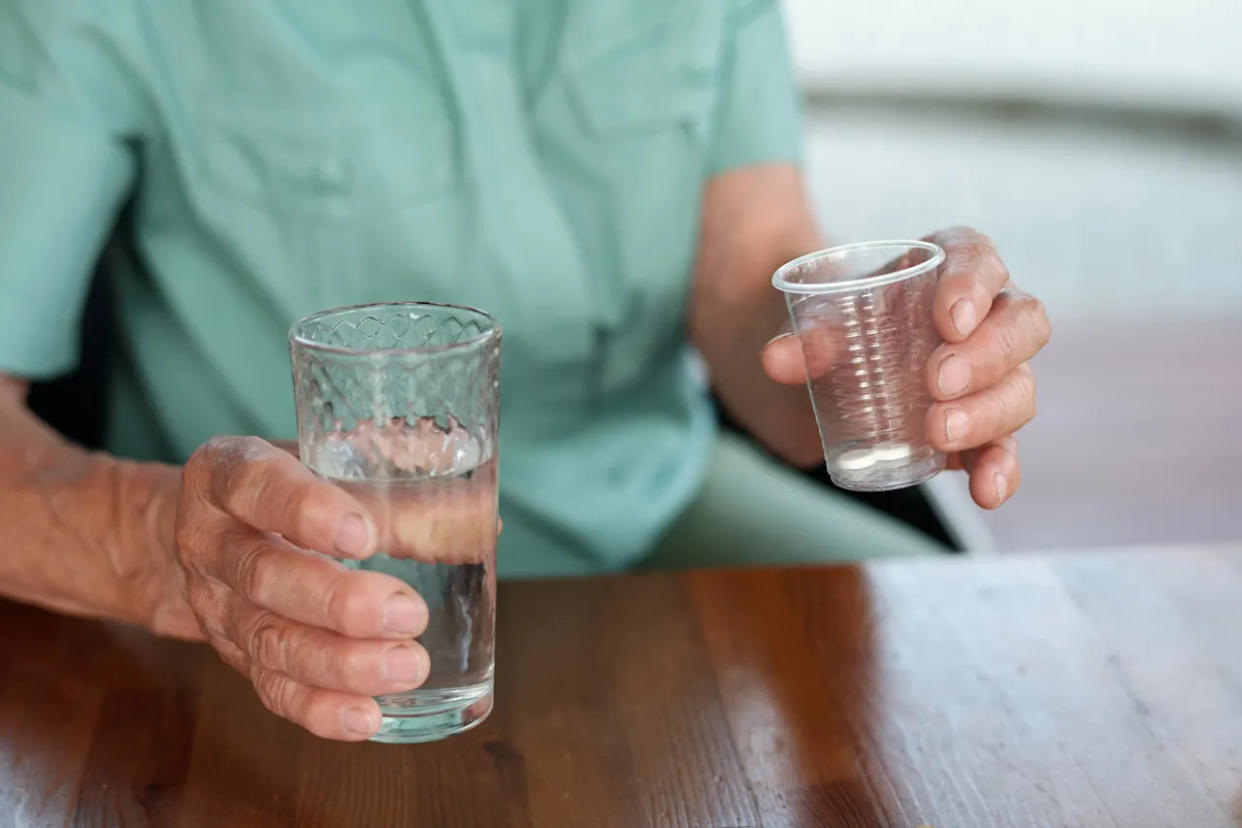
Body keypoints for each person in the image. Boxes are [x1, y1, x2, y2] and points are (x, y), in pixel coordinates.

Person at [0, 0, 1050, 740]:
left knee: (993, 677)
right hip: (304, 590)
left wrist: (891, 365)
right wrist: (158, 550)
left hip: (655, 503)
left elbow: (745, 283)